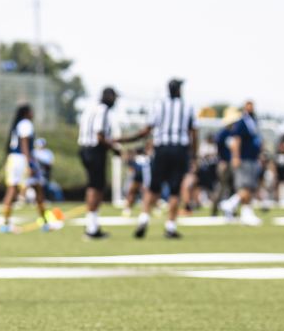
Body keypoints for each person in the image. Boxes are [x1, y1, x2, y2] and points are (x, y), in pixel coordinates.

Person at [128, 78, 196, 239]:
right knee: (174, 189)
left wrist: (129, 139)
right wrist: (193, 154)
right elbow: (194, 131)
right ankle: (170, 226)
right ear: (179, 90)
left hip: (162, 149)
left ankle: (144, 218)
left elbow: (147, 129)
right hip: (179, 149)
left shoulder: (159, 106)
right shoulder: (187, 107)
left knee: (153, 187)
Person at [76, 87, 124, 240]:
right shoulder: (103, 111)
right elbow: (99, 136)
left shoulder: (90, 108)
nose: (115, 101)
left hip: (85, 148)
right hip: (94, 150)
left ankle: (93, 225)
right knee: (95, 187)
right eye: (114, 98)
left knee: (95, 185)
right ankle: (91, 227)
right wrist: (114, 149)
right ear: (108, 97)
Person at [0, 103, 50, 233]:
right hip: (22, 159)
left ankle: (5, 224)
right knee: (38, 188)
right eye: (31, 111)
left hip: (13, 159)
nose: (33, 114)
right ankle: (44, 222)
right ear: (26, 113)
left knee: (12, 190)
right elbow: (24, 143)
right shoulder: (26, 123)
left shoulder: (17, 125)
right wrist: (30, 163)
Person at [223, 100, 265, 225]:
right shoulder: (241, 123)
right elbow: (236, 140)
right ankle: (230, 204)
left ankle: (246, 213)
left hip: (252, 158)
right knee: (246, 186)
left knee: (250, 187)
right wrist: (236, 157)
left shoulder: (253, 122)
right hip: (244, 158)